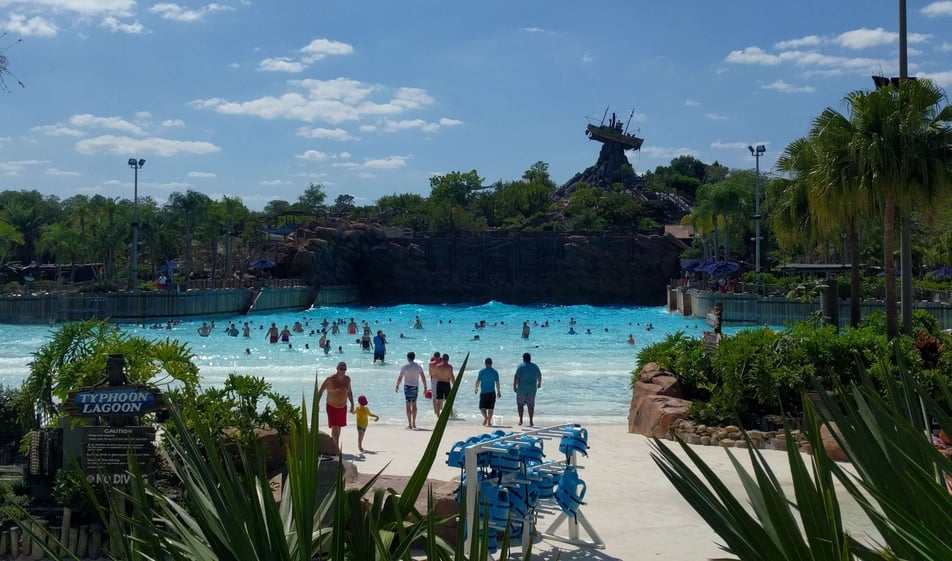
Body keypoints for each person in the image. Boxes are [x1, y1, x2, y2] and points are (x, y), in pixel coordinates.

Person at [317, 361, 355, 452]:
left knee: (339, 428)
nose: (343, 371)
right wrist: (316, 404)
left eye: (344, 369)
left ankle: (334, 446)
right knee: (335, 427)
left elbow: (349, 392)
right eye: (341, 369)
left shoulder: (347, 380)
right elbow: (320, 391)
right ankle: (336, 448)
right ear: (337, 369)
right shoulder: (330, 380)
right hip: (331, 407)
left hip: (342, 407)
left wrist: (352, 404)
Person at [395, 351, 427, 430]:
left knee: (408, 405)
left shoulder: (405, 366)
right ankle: (414, 423)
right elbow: (423, 377)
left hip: (407, 387)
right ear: (414, 357)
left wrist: (397, 385)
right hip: (415, 387)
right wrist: (425, 387)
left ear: (408, 358)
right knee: (414, 404)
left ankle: (409, 424)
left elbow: (400, 377)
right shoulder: (418, 366)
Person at [513, 352, 542, 427]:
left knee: (520, 405)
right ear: (530, 358)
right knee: (531, 405)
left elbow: (516, 377)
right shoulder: (535, 366)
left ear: (523, 359)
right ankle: (531, 421)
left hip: (522, 389)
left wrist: (514, 386)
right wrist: (539, 383)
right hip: (532, 389)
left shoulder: (520, 366)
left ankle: (521, 420)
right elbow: (539, 375)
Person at [475, 357, 502, 426]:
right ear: (491, 363)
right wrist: (499, 391)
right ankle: (489, 422)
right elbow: (497, 383)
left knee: (482, 407)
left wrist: (476, 388)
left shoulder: (481, 372)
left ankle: (486, 417)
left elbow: (478, 381)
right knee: (491, 408)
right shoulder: (495, 372)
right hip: (492, 392)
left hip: (484, 392)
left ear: (485, 363)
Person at [432, 353, 455, 418]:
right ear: (448, 359)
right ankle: (451, 414)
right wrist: (454, 385)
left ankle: (438, 415)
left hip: (439, 384)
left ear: (442, 359)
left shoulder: (437, 366)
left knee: (438, 400)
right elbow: (451, 377)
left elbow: (434, 376)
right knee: (449, 400)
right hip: (446, 384)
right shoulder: (449, 367)